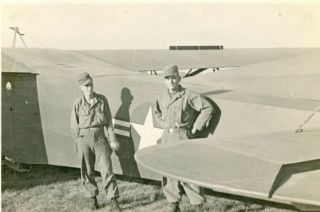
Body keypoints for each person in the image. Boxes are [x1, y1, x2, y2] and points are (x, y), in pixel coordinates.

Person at [154, 65, 213, 212]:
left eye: (174, 77)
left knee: (189, 171)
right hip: (167, 138)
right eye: (168, 78)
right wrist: (165, 126)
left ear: (179, 78)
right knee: (169, 172)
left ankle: (197, 204)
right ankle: (173, 203)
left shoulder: (188, 95)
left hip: (183, 137)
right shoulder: (161, 97)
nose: (171, 81)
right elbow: (157, 113)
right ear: (164, 81)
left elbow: (207, 108)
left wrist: (195, 128)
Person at [71, 72, 121, 211]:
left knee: (107, 169)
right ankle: (92, 198)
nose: (89, 88)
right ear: (81, 87)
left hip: (99, 137)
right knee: (87, 170)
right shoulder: (77, 104)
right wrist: (78, 145)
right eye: (86, 86)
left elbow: (109, 122)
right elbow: (74, 127)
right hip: (83, 138)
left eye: (91, 84)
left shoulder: (102, 100)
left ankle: (113, 199)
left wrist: (112, 139)